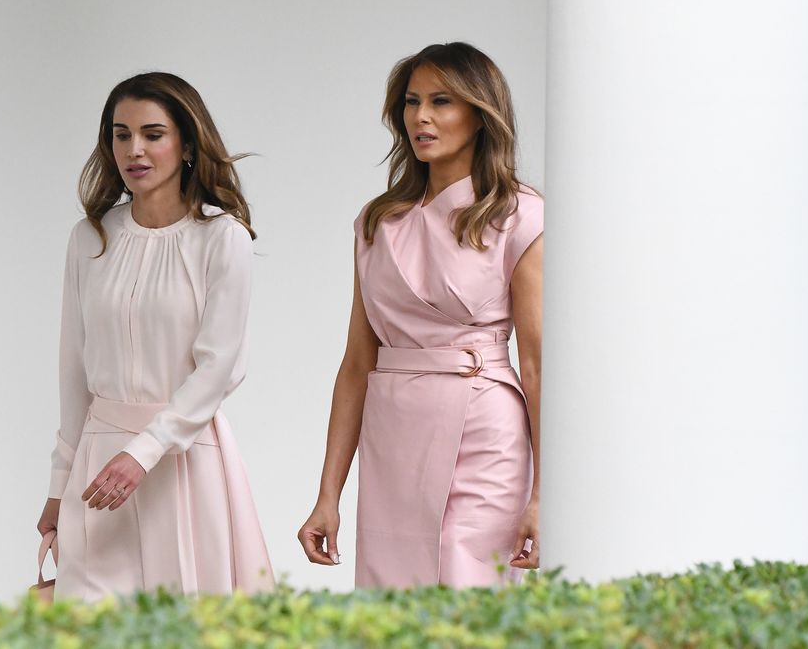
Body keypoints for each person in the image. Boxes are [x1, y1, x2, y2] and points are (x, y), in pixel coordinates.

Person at [297, 42, 543, 588]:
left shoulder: (518, 214)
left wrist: (544, 494)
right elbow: (357, 361)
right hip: (394, 436)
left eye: (442, 101)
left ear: (481, 115)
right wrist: (327, 497)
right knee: (396, 607)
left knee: (468, 602)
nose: (422, 117)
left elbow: (538, 363)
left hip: (484, 433)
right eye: (412, 102)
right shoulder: (376, 223)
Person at [36, 72, 274, 600]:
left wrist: (146, 450)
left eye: (153, 134)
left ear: (187, 144)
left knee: (185, 621)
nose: (134, 149)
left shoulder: (222, 238)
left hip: (183, 462)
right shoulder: (91, 237)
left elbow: (221, 367)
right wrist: (58, 486)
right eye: (121, 135)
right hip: (97, 465)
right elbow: (73, 370)